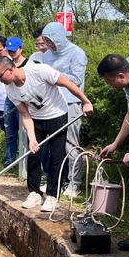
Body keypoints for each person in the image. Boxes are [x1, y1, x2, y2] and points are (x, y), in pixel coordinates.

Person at [0, 57, 93, 212]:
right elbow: (25, 115)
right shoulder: (10, 89)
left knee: (56, 157)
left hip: (57, 115)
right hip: (35, 119)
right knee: (33, 155)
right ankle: (34, 192)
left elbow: (68, 84)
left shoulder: (40, 71)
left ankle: (53, 195)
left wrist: (85, 101)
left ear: (10, 69)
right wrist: (32, 138)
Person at [41, 22, 87, 198]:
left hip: (71, 102)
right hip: (52, 103)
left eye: (50, 40)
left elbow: (76, 79)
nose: (49, 44)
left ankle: (74, 183)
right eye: (46, 41)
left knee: (71, 144)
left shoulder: (77, 53)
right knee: (53, 144)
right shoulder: (47, 56)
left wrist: (54, 74)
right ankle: (55, 180)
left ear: (59, 38)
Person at [2, 37, 29, 166]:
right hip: (10, 99)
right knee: (9, 131)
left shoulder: (29, 64)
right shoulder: (6, 64)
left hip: (24, 100)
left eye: (14, 50)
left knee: (25, 130)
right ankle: (9, 159)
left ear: (21, 49)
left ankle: (25, 161)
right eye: (10, 51)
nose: (12, 53)